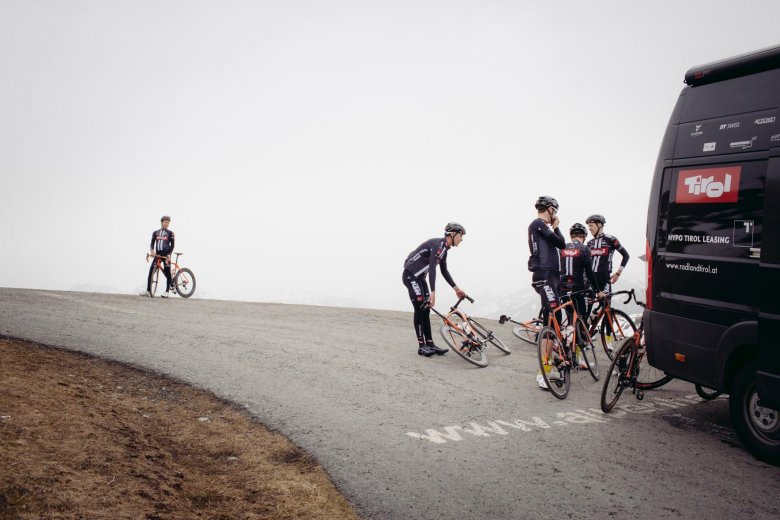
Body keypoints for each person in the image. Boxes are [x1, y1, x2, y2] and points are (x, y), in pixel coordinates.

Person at [402, 223, 468, 357]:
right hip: (411, 276)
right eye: (460, 236)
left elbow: (444, 271)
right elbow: (432, 268)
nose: (461, 239)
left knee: (426, 309)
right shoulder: (439, 245)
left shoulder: (445, 249)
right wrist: (433, 293)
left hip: (420, 278)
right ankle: (422, 346)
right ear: (452, 234)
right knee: (420, 307)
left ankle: (430, 343)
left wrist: (457, 289)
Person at [528, 196, 565, 389]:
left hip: (552, 275)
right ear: (549, 209)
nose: (555, 216)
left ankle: (550, 362)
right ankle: (544, 370)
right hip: (544, 274)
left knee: (554, 318)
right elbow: (561, 243)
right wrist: (557, 226)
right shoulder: (538, 224)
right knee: (552, 317)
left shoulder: (544, 226)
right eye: (555, 211)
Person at [560, 223, 604, 369]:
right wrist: (597, 290)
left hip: (563, 290)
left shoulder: (563, 247)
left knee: (570, 322)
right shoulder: (585, 249)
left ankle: (565, 350)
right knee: (580, 322)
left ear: (571, 236)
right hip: (578, 290)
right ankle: (576, 359)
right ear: (584, 237)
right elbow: (590, 273)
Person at [585, 214, 629, 294]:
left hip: (604, 278)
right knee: (587, 305)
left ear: (599, 224)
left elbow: (626, 256)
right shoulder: (589, 243)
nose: (589, 228)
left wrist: (618, 273)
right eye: (588, 226)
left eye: (591, 225)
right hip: (590, 279)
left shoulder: (611, 239)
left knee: (606, 306)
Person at [143, 215, 175, 298]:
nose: (167, 224)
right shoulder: (155, 233)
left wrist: (169, 255)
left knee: (167, 272)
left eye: (168, 223)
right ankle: (148, 291)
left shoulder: (171, 233)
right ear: (161, 222)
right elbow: (152, 244)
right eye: (165, 222)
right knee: (151, 271)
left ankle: (167, 291)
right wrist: (152, 251)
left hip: (166, 255)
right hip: (158, 255)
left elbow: (172, 246)